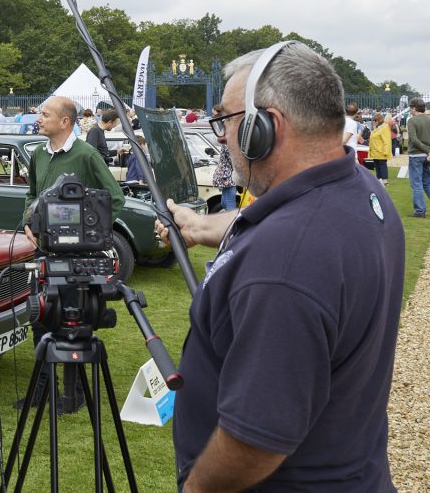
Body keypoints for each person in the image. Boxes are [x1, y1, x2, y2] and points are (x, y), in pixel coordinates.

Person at [158, 41, 404, 492]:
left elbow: (255, 440)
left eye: (226, 123)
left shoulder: (286, 263)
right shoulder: (359, 187)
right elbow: (279, 217)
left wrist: (195, 488)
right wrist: (199, 226)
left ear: (263, 128)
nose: (221, 137)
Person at [22, 95, 125, 413]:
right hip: (43, 255)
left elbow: (115, 198)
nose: (39, 118)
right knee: (41, 320)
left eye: (46, 113)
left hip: (76, 260)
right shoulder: (38, 153)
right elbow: (32, 194)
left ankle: (74, 395)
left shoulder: (86, 154)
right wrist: (29, 221)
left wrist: (87, 237)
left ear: (64, 122)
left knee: (74, 323)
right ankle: (40, 393)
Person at [406, 97, 430, 218]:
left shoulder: (412, 121)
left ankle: (419, 211)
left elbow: (414, 139)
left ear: (414, 108)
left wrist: (429, 151)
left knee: (416, 184)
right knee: (427, 183)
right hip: (427, 156)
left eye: (410, 108)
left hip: (416, 155)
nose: (410, 111)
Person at [209, 104, 239, 210]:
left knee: (227, 201)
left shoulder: (226, 137)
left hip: (226, 175)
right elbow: (232, 158)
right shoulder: (229, 138)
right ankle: (229, 219)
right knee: (227, 201)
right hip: (228, 175)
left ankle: (228, 218)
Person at [368, 113, 391, 186]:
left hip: (381, 151)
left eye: (374, 121)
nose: (373, 122)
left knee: (382, 165)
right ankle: (379, 180)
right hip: (375, 152)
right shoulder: (377, 128)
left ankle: (385, 181)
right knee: (377, 166)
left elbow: (386, 140)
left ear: (377, 121)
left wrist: (386, 152)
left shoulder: (384, 127)